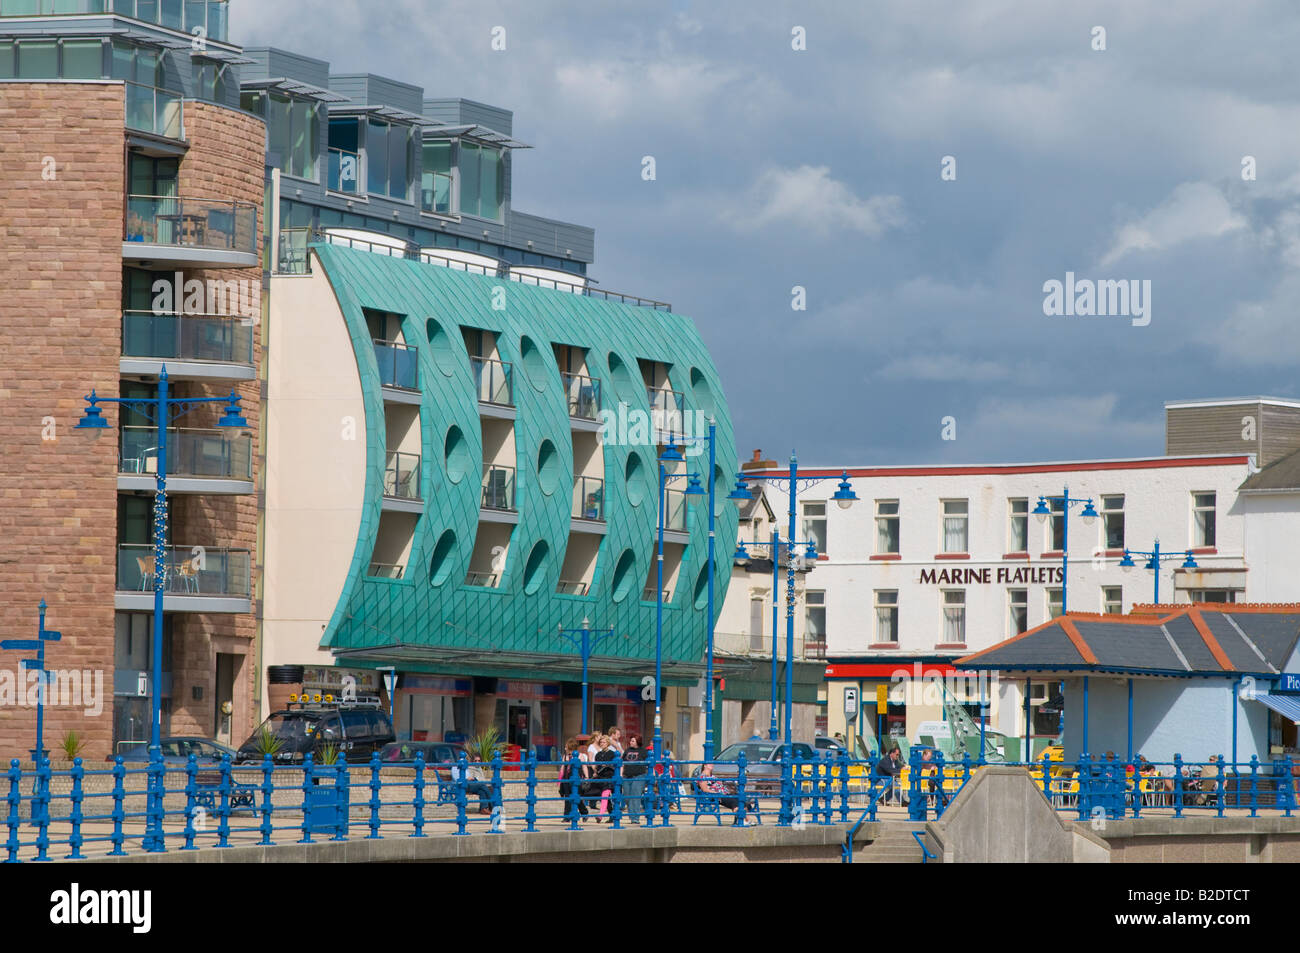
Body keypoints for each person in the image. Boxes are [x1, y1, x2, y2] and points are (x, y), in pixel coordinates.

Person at [559, 736, 591, 819]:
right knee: (567, 797)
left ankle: (584, 813)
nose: (565, 748)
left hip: (577, 779)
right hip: (567, 779)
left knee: (577, 797)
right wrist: (559, 780)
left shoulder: (580, 756)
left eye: (566, 747)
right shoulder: (565, 756)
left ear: (571, 747)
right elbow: (562, 768)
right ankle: (567, 816)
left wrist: (587, 777)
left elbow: (584, 767)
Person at [621, 733, 647, 824]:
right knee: (627, 797)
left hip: (639, 776)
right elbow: (622, 763)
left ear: (637, 742)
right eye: (630, 740)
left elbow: (649, 764)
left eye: (633, 741)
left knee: (635, 797)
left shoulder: (643, 751)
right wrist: (621, 775)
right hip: (627, 776)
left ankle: (635, 818)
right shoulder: (627, 750)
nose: (630, 742)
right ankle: (631, 815)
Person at [593, 734, 619, 821]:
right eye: (601, 742)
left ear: (608, 743)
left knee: (605, 796)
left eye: (604, 742)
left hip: (609, 777)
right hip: (600, 777)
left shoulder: (612, 754)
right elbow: (596, 766)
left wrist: (608, 765)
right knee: (604, 797)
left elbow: (616, 765)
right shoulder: (598, 754)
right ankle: (612, 816)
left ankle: (600, 815)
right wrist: (595, 772)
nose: (602, 744)